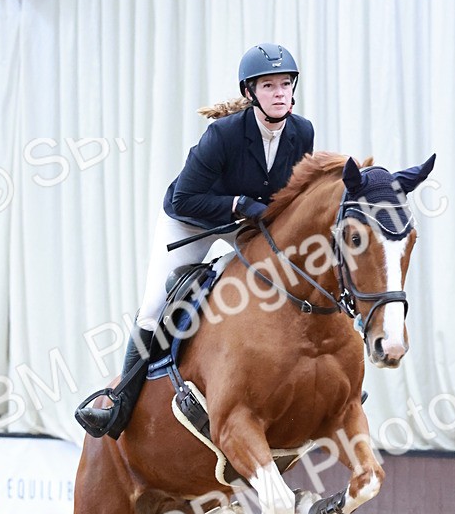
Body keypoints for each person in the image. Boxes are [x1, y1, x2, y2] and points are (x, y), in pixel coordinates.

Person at [76, 43, 315, 440]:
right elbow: (187, 198)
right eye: (269, 85)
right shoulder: (221, 135)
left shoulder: (302, 131)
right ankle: (119, 404)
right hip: (191, 220)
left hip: (248, 219)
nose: (279, 93)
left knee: (298, 274)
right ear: (250, 93)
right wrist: (239, 204)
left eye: (285, 84)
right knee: (154, 308)